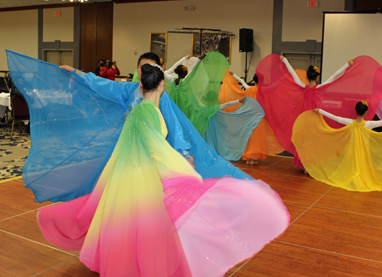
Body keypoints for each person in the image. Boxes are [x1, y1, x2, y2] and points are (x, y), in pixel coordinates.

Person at [37, 62, 290, 277]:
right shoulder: (152, 112)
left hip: (128, 175)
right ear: (161, 86)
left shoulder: (136, 111)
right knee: (159, 222)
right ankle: (149, 267)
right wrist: (184, 168)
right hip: (147, 175)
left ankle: (126, 264)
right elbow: (156, 148)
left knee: (131, 223)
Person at [6, 50, 251, 203]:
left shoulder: (161, 98)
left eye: (149, 68)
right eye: (140, 68)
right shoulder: (127, 91)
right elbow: (100, 84)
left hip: (152, 157)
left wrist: (185, 153)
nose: (142, 72)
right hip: (129, 155)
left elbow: (176, 127)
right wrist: (77, 73)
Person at [256, 54, 382, 172]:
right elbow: (335, 76)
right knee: (314, 142)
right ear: (317, 77)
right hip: (316, 120)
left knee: (305, 142)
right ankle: (310, 165)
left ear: (307, 76)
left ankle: (304, 164)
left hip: (304, 120)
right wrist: (347, 65)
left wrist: (285, 61)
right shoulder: (320, 89)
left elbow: (291, 73)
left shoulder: (302, 86)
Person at [291, 101, 382, 191]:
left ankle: (352, 176)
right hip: (363, 152)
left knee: (352, 167)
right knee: (362, 168)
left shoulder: (349, 122)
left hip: (351, 152)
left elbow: (333, 117)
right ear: (365, 112)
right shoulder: (369, 124)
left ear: (356, 111)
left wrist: (320, 111)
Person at [218, 71, 283, 165]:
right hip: (259, 118)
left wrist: (233, 75)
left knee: (249, 136)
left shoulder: (250, 89)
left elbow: (242, 82)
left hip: (250, 117)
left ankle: (248, 157)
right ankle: (252, 158)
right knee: (256, 138)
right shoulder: (264, 91)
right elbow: (275, 88)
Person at [204, 96, 266, 161]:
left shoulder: (204, 109)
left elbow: (227, 104)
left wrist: (238, 101)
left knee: (205, 142)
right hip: (211, 131)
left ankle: (206, 155)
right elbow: (228, 104)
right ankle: (210, 155)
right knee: (212, 142)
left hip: (203, 130)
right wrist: (238, 101)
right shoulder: (214, 108)